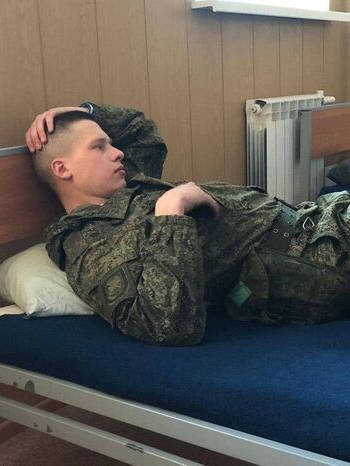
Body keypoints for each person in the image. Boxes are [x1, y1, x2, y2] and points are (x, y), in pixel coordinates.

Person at [25, 103, 350, 346]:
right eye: (99, 147)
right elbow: (166, 324)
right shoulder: (89, 247)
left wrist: (83, 111)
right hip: (318, 259)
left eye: (110, 143)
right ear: (62, 169)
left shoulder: (124, 187)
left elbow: (141, 131)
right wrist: (173, 210)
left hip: (321, 220)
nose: (118, 153)